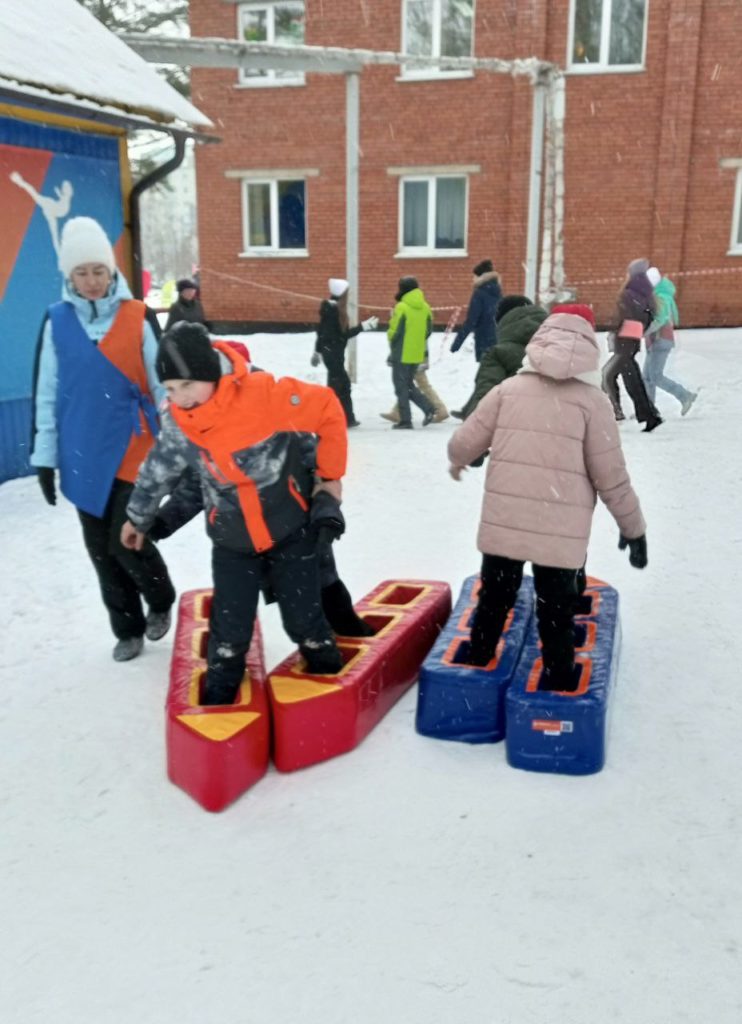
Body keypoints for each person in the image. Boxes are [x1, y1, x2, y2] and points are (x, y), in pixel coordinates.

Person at [120, 322, 348, 706]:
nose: (181, 397)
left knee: (304, 620)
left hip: (288, 529)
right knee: (229, 629)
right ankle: (220, 697)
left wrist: (329, 478)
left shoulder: (261, 394)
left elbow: (327, 408)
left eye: (187, 384)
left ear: (210, 374)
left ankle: (328, 677)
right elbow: (157, 470)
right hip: (231, 538)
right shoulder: (179, 421)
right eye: (171, 389)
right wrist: (138, 517)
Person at [448, 304, 647, 692]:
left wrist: (458, 460)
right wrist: (634, 528)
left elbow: (465, 440)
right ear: (589, 346)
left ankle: (477, 661)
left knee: (495, 597)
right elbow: (612, 478)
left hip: (505, 524)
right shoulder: (594, 403)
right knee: (556, 611)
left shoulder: (508, 390)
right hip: (559, 535)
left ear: (540, 339)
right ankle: (557, 679)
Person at [30, 216, 175, 662]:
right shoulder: (55, 321)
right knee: (100, 553)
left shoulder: (138, 315)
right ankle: (126, 627)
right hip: (81, 453)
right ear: (68, 276)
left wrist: (176, 445)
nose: (91, 281)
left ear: (112, 272)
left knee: (126, 539)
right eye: (81, 272)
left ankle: (161, 596)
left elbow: (163, 383)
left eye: (99, 270)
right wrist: (45, 458)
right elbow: (48, 394)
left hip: (136, 449)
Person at [453, 295, 548, 421]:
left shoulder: (499, 355)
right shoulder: (563, 352)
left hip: (511, 433)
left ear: (502, 321)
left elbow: (482, 409)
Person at [602, 259, 663, 431]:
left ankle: (615, 413)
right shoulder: (645, 293)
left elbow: (621, 316)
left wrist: (613, 327)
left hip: (625, 341)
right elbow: (648, 316)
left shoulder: (629, 293)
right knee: (632, 379)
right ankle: (649, 415)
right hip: (632, 339)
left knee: (608, 375)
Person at [311, 278, 378, 428]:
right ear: (342, 295)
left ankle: (344, 418)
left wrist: (317, 351)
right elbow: (340, 335)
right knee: (338, 388)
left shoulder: (332, 309)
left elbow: (321, 332)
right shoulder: (333, 312)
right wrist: (362, 327)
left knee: (339, 386)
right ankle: (331, 419)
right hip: (333, 355)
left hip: (332, 354)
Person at [386, 276, 437, 429]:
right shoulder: (426, 307)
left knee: (401, 387)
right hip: (417, 353)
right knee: (407, 385)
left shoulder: (401, 307)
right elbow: (429, 331)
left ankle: (406, 420)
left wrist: (390, 338)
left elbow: (394, 332)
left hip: (401, 353)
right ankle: (428, 408)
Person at [643, 273, 697, 415]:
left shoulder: (661, 297)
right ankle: (649, 409)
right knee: (647, 377)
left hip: (661, 341)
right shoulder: (658, 295)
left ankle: (685, 395)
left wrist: (643, 331)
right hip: (654, 341)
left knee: (655, 376)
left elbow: (660, 319)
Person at [449, 259, 503, 363]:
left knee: (485, 374)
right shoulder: (498, 292)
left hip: (483, 340)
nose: (472, 279)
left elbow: (471, 320)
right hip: (497, 338)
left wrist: (456, 344)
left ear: (480, 277)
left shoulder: (479, 294)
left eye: (474, 276)